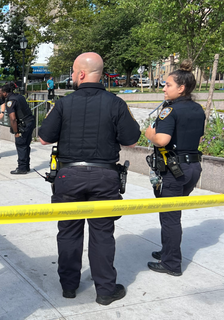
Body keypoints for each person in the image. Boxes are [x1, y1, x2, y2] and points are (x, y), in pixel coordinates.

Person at [38, 52, 140, 306]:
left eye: (73, 72)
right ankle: (105, 290)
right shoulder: (116, 103)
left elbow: (43, 138)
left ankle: (69, 286)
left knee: (69, 231)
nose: (72, 77)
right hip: (104, 176)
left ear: (81, 74)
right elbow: (132, 139)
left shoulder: (63, 104)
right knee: (103, 233)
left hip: (68, 175)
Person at [144, 59, 205, 277]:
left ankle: (171, 263)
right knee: (172, 214)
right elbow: (198, 137)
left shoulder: (169, 111)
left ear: (181, 88)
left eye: (168, 85)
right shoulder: (198, 109)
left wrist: (148, 133)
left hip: (173, 170)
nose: (164, 88)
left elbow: (161, 139)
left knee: (170, 217)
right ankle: (167, 251)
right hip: (192, 168)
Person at [0, 82, 35, 173]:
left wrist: (16, 133)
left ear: (5, 93)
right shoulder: (20, 96)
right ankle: (26, 166)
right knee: (26, 145)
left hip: (23, 126)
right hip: (30, 122)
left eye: (0, 93)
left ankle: (22, 168)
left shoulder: (10, 101)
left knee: (21, 145)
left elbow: (13, 119)